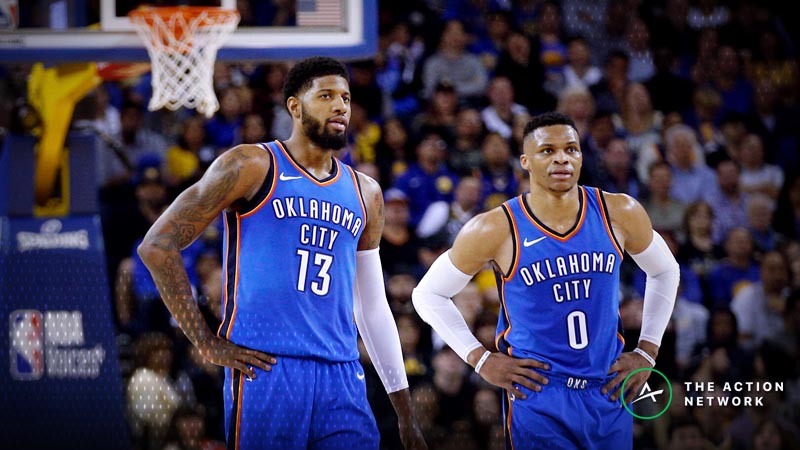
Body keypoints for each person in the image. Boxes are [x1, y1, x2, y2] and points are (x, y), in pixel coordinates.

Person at [137, 56, 426, 450]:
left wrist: (405, 415)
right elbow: (157, 246)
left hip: (341, 374)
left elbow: (373, 308)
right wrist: (205, 340)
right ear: (294, 105)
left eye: (346, 97)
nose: (340, 105)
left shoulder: (366, 193)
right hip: (268, 368)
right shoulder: (251, 164)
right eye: (325, 95)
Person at [412, 112, 679, 449]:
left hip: (609, 387)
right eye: (547, 151)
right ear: (525, 161)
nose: (562, 158)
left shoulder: (619, 212)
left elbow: (666, 270)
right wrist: (479, 358)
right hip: (540, 394)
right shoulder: (496, 227)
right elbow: (427, 294)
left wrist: (648, 351)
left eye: (571, 149)